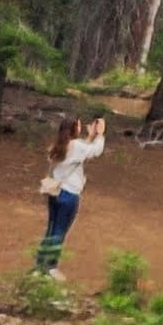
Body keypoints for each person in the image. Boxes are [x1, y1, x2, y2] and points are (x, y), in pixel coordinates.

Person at [34, 115, 107, 273]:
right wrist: (100, 134)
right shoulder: (76, 146)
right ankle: (51, 267)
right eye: (79, 126)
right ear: (74, 129)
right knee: (61, 230)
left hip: (55, 192)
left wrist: (90, 136)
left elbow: (80, 152)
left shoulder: (58, 145)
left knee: (51, 228)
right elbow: (95, 151)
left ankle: (40, 264)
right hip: (69, 194)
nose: (81, 128)